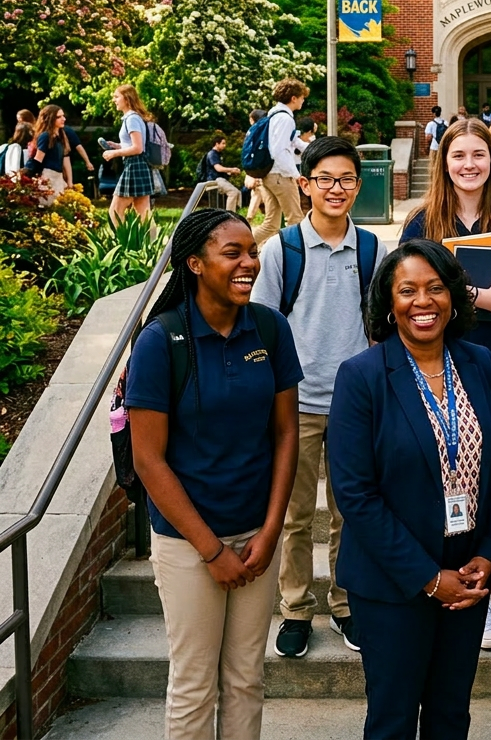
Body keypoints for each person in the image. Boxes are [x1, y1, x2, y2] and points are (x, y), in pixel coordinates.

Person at [125, 208, 302, 740]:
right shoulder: (162, 341)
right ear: (195, 264)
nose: (250, 262)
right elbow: (147, 460)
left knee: (247, 678)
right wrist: (211, 550)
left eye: (252, 251)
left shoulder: (269, 328)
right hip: (187, 544)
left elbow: (286, 434)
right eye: (234, 253)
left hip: (256, 537)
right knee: (194, 683)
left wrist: (270, 533)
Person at [328, 239, 491, 740]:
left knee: (451, 715)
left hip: (468, 577)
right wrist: (429, 577)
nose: (423, 301)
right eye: (407, 290)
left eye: (435, 288)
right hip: (392, 583)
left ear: (454, 295)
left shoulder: (477, 363)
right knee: (391, 720)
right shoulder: (361, 376)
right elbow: (355, 494)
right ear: (388, 304)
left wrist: (490, 555)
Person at [401, 119, 491, 650]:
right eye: (459, 155)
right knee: (442, 472)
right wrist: (482, 291)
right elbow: (414, 299)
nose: (469, 164)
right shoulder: (421, 223)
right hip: (435, 365)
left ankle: (485, 592)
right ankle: (439, 578)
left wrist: (459, 291)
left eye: (479, 154)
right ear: (443, 161)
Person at [251, 135, 386, 659]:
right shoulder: (280, 250)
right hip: (297, 405)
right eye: (325, 179)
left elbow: (381, 327)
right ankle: (295, 609)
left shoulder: (373, 248)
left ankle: (346, 603)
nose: (336, 188)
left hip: (354, 405)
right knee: (294, 514)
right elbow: (261, 328)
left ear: (358, 185)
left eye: (347, 179)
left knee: (351, 511)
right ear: (304, 185)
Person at [252, 78, 309, 250]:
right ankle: (296, 257)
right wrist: (296, 175)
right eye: (301, 97)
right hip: (281, 175)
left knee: (271, 224)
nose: (303, 100)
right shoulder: (285, 119)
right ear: (293, 98)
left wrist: (316, 148)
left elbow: (294, 142)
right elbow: (279, 151)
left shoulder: (274, 114)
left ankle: (239, 247)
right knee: (295, 220)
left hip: (268, 174)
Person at [102, 84, 152, 225]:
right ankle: (152, 246)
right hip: (139, 165)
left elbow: (137, 148)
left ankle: (121, 244)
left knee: (115, 211)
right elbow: (134, 145)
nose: (114, 100)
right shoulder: (134, 118)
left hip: (134, 166)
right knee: (143, 214)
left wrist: (114, 153)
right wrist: (118, 145)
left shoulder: (132, 119)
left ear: (127, 99)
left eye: (117, 96)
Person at [28, 105, 73, 205]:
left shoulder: (61, 136)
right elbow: (38, 159)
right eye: (59, 117)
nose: (63, 119)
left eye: (63, 116)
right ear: (50, 119)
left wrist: (70, 180)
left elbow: (65, 158)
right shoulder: (45, 136)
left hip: (58, 176)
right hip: (47, 177)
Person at [202, 135, 242, 212]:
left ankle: (236, 213)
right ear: (217, 144)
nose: (225, 145)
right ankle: (229, 215)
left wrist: (229, 173)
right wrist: (232, 169)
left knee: (238, 192)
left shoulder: (218, 154)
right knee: (233, 192)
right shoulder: (212, 154)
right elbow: (218, 168)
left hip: (220, 178)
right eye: (223, 143)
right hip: (215, 180)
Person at [245, 109, 267, 223]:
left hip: (254, 170)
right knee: (263, 194)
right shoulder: (261, 131)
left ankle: (249, 218)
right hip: (261, 171)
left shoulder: (251, 132)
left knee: (257, 194)